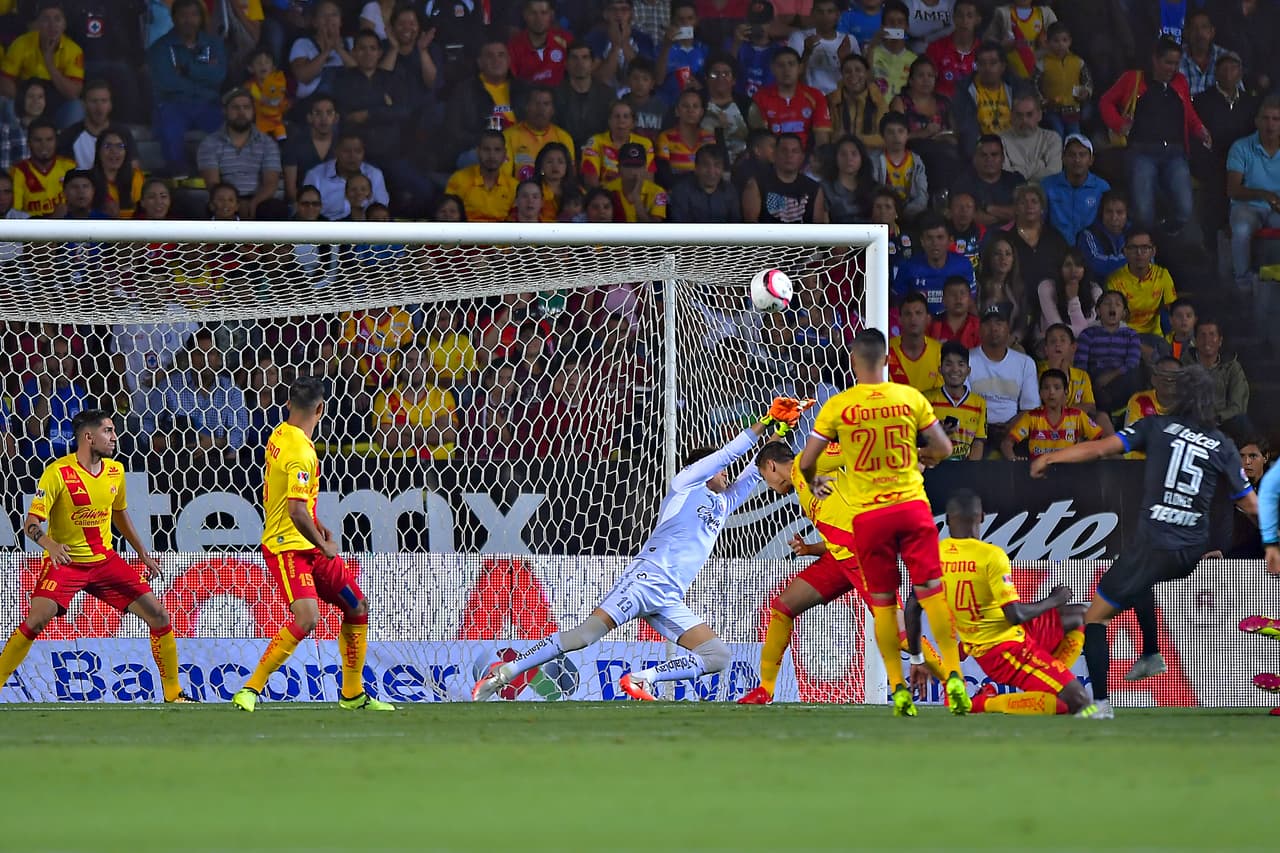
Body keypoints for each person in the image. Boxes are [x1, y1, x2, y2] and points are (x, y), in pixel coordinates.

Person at [472, 396, 805, 702]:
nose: (728, 474)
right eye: (722, 469)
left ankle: (643, 679)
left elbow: (756, 472)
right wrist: (764, 420)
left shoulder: (723, 503)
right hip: (646, 578)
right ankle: (505, 673)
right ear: (706, 469)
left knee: (717, 656)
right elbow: (730, 454)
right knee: (585, 636)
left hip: (670, 596)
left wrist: (778, 431)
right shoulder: (685, 484)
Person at [1030, 365, 1258, 719]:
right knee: (1140, 580)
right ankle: (1151, 651)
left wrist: (1051, 455)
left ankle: (1101, 705)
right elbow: (1251, 506)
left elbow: (1102, 448)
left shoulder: (1156, 427)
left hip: (1155, 544)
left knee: (1095, 619)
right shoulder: (1223, 445)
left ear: (1178, 396)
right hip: (1192, 550)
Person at [799, 328, 966, 717]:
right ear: (888, 361)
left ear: (854, 362)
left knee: (883, 605)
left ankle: (897, 687)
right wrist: (917, 455)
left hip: (869, 517)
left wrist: (813, 480)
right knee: (931, 591)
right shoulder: (909, 397)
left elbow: (807, 462)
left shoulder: (838, 406)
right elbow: (943, 448)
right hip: (911, 507)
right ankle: (955, 673)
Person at [0, 410, 196, 703]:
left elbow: (119, 513)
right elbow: (30, 523)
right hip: (66, 563)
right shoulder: (58, 472)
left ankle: (173, 693)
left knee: (159, 615)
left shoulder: (116, 471)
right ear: (88, 437)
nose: (114, 437)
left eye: (113, 431)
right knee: (36, 620)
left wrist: (141, 551)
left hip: (105, 562)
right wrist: (50, 544)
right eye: (108, 431)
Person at [232, 377, 396, 713]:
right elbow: (293, 512)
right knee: (308, 617)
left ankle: (353, 695)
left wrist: (317, 526)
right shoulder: (302, 454)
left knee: (357, 606)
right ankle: (250, 689)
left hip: (307, 541)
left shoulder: (279, 433)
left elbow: (293, 501)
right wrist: (324, 547)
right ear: (321, 409)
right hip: (287, 547)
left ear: (289, 404)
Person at [740, 439, 946, 704]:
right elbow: (840, 523)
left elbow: (855, 448)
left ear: (770, 466)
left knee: (898, 634)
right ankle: (765, 690)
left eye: (763, 478)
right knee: (783, 607)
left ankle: (957, 686)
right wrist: (812, 549)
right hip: (839, 559)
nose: (767, 485)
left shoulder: (807, 461)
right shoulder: (805, 484)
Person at [905, 490, 1092, 715]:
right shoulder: (991, 555)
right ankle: (982, 703)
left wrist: (916, 658)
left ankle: (1052, 680)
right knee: (1077, 701)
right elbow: (1014, 615)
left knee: (1080, 615)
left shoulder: (933, 555)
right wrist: (1054, 600)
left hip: (1012, 634)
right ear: (982, 517)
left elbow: (912, 607)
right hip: (1004, 648)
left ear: (946, 520)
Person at [1099, 37, 1209, 236]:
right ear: (1155, 60)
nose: (1172, 68)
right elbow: (1105, 102)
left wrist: (1200, 129)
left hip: (1175, 153)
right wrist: (1119, 124)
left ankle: (1161, 238)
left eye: (1176, 64)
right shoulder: (1133, 79)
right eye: (1168, 62)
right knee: (1143, 213)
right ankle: (1149, 248)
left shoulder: (1181, 82)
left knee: (1185, 210)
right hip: (1142, 152)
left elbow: (1188, 112)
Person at [146, 0, 227, 176]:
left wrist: (188, 69)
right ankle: (179, 172)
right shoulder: (160, 48)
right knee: (168, 127)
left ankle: (226, 171)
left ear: (201, 18)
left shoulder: (214, 44)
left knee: (230, 126)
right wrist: (203, 81)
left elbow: (218, 75)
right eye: (183, 15)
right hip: (174, 104)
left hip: (208, 104)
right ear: (174, 18)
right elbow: (167, 83)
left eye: (193, 15)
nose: (188, 20)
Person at [196, 88, 284, 221]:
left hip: (257, 199)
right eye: (236, 107)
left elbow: (271, 183)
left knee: (275, 209)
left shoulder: (267, 143)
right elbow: (213, 184)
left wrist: (254, 203)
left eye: (246, 107)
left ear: (253, 112)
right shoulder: (210, 143)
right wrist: (233, 204)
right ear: (225, 111)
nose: (241, 112)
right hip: (223, 199)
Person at [0, 0, 85, 126]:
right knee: (6, 104)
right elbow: (4, 81)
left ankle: (62, 143)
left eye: (57, 19)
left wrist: (49, 63)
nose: (52, 25)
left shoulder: (74, 51)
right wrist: (26, 102)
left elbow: (73, 93)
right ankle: (19, 142)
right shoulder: (21, 43)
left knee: (77, 107)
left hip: (57, 102)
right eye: (46, 19)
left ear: (64, 25)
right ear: (38, 24)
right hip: (26, 99)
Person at [968, 304, 1039, 454]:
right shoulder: (967, 360)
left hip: (1013, 430)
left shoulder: (1025, 363)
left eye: (999, 323)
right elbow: (962, 404)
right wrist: (983, 429)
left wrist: (1010, 427)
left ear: (1008, 329)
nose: (993, 328)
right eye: (988, 323)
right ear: (980, 329)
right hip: (974, 431)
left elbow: (1030, 408)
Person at [1226, 96, 1280, 291]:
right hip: (1247, 206)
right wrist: (1264, 195)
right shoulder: (1241, 147)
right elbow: (1233, 189)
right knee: (1240, 229)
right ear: (1257, 121)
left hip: (1276, 209)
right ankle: (1243, 284)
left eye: (1276, 119)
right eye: (1266, 118)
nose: (1270, 124)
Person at [1001, 368, 1102, 459]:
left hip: (1071, 471)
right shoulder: (1031, 417)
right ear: (1040, 393)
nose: (1051, 392)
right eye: (1046, 388)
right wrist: (1012, 458)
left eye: (1057, 388)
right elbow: (1007, 443)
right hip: (1038, 472)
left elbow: (1101, 441)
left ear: (1066, 392)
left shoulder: (1077, 416)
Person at [749, 47, 832, 150]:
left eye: (791, 64)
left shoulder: (815, 96)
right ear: (772, 69)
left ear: (800, 68)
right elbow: (761, 140)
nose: (786, 70)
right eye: (781, 65)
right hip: (774, 158)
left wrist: (817, 162)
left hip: (807, 158)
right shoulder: (760, 98)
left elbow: (822, 137)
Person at [1075, 290, 1142, 415]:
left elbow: (1133, 363)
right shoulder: (1088, 334)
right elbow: (1081, 364)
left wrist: (1111, 375)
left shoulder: (1131, 335)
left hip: (1121, 378)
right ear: (1099, 311)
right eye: (1107, 303)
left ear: (1124, 313)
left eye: (1117, 304)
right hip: (1095, 381)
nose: (1112, 307)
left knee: (1135, 375)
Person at [892, 212, 975, 310]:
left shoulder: (963, 265)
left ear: (950, 241)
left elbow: (970, 303)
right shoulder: (907, 267)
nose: (935, 243)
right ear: (922, 241)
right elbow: (898, 306)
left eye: (940, 237)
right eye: (929, 238)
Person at [1104, 227, 1176, 340]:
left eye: (1145, 248)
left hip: (1155, 337)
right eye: (1133, 248)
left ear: (1153, 251)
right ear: (1125, 252)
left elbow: (1174, 311)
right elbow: (1112, 322)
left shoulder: (1162, 275)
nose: (1139, 253)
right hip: (1125, 338)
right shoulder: (1114, 281)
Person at [1041, 134, 1109, 246]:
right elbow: (1039, 222)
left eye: (1082, 155)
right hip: (1055, 248)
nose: (1077, 160)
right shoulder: (1047, 185)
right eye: (1072, 155)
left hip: (1091, 249)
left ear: (1091, 160)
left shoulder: (1102, 188)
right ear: (1063, 158)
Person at [742, 132, 825, 223]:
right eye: (784, 150)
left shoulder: (814, 188)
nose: (789, 155)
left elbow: (818, 228)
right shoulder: (756, 184)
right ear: (774, 155)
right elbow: (751, 227)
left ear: (802, 157)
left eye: (795, 151)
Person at [1185, 318, 1250, 434]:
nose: (1207, 340)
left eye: (1212, 335)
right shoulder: (1184, 365)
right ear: (1195, 340)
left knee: (1241, 421)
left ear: (1220, 341)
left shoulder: (1232, 367)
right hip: (1190, 421)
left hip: (1222, 422)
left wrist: (1217, 417)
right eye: (1202, 335)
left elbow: (1238, 405)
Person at [925, 340, 987, 460]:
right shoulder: (927, 400)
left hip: (965, 472)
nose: (955, 369)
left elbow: (978, 443)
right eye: (948, 364)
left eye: (961, 364)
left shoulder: (979, 404)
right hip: (934, 469)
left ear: (968, 371)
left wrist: (970, 472)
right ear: (940, 369)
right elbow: (918, 439)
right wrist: (938, 434)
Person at [951, 42, 1017, 156]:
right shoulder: (964, 91)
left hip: (1014, 146)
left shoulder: (1014, 89)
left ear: (1003, 66)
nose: (987, 68)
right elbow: (966, 130)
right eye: (982, 63)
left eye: (993, 63)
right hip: (982, 150)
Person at [554, 41, 616, 153]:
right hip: (564, 154)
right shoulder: (555, 94)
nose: (580, 63)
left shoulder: (607, 94)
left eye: (585, 58)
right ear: (566, 64)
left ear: (592, 63)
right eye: (574, 58)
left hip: (600, 153)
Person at [950, 133, 1021, 227]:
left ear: (1003, 158)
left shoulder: (1016, 180)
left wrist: (989, 208)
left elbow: (1024, 211)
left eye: (994, 154)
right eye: (983, 155)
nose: (989, 159)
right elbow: (963, 217)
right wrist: (1007, 214)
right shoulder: (962, 184)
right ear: (975, 159)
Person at [1034, 21, 1091, 138]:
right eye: (1056, 41)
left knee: (1074, 137)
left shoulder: (1078, 62)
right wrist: (1040, 100)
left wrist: (1086, 92)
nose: (1060, 44)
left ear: (1070, 41)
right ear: (1048, 42)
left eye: (1064, 40)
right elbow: (1033, 83)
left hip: (1072, 109)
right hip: (1051, 109)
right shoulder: (1042, 64)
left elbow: (1087, 80)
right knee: (1057, 136)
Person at [788, 0, 857, 95]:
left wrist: (843, 60)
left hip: (841, 99)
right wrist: (806, 53)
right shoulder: (799, 37)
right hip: (810, 98)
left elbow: (857, 81)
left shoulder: (849, 40)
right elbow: (792, 78)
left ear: (838, 15)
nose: (825, 17)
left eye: (830, 11)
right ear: (812, 14)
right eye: (820, 12)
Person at [580, 100, 655, 188]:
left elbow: (649, 182)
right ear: (609, 121)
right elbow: (591, 183)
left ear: (633, 123)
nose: (621, 121)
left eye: (626, 117)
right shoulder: (595, 142)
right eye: (616, 116)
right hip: (606, 196)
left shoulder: (645, 144)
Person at [10, 117, 75, 217]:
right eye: (37, 140)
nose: (44, 145)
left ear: (56, 142)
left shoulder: (70, 167)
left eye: (49, 139)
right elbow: (14, 215)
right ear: (28, 143)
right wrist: (53, 220)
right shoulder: (18, 171)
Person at [871, 111, 928, 219]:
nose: (896, 136)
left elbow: (922, 196)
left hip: (910, 214)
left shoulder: (916, 162)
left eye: (900, 131)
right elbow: (872, 193)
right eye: (890, 132)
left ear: (907, 134)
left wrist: (901, 213)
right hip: (883, 214)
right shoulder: (874, 160)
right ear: (883, 136)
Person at [1036, 248, 1101, 340]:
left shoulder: (1095, 290)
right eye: (1067, 265)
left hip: (1082, 343)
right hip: (1051, 341)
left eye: (1078, 265)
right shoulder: (1046, 287)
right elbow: (1058, 329)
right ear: (1059, 269)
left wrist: (1073, 299)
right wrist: (1073, 300)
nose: (1073, 270)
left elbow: (1084, 333)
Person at [667, 143, 740, 222]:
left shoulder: (729, 190)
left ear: (722, 169)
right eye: (705, 165)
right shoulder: (681, 191)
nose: (711, 171)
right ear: (696, 169)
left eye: (717, 165)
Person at [827, 53, 885, 153]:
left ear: (867, 73)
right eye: (847, 72)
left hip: (870, 153)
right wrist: (835, 136)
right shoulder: (832, 100)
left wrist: (856, 138)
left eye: (858, 70)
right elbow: (825, 134)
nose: (853, 75)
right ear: (842, 75)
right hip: (839, 152)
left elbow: (885, 138)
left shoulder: (877, 100)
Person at [657, 88, 716, 186]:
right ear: (677, 111)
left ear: (701, 112)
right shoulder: (665, 137)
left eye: (695, 106)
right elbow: (664, 175)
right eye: (685, 106)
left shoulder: (709, 138)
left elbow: (711, 171)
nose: (690, 110)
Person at [508, 0, 573, 86]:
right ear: (525, 15)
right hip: (527, 96)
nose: (539, 19)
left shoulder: (566, 40)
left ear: (551, 15)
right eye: (533, 13)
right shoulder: (513, 47)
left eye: (544, 13)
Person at [925, 0, 981, 100]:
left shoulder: (984, 51)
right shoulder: (935, 48)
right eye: (960, 15)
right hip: (941, 109)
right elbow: (925, 87)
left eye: (969, 16)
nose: (964, 21)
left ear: (977, 19)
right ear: (953, 18)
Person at [888, 292, 943, 391]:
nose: (913, 318)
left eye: (918, 313)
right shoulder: (887, 349)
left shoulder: (940, 352)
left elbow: (940, 395)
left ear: (928, 319)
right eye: (908, 314)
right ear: (899, 319)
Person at [999, 93, 1059, 182]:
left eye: (1029, 114)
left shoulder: (1052, 138)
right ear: (1011, 116)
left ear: (1039, 115)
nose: (1024, 120)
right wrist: (1038, 165)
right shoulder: (999, 140)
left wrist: (1019, 175)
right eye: (1019, 115)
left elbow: (1054, 174)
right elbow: (1004, 178)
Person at [603, 140, 667, 222]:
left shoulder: (658, 192)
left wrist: (636, 198)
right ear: (618, 168)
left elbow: (654, 230)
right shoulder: (607, 190)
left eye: (637, 166)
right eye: (628, 166)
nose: (633, 171)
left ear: (645, 168)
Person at [1078, 190, 1130, 282]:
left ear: (1127, 214)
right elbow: (1096, 264)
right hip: (1100, 290)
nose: (1114, 218)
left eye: (1119, 212)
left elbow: (1148, 262)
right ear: (1101, 213)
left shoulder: (1136, 233)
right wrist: (1132, 259)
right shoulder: (1088, 234)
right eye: (1109, 212)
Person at [928, 275, 980, 348]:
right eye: (952, 294)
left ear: (969, 299)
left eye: (962, 293)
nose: (958, 298)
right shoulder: (931, 325)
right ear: (943, 300)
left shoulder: (979, 326)